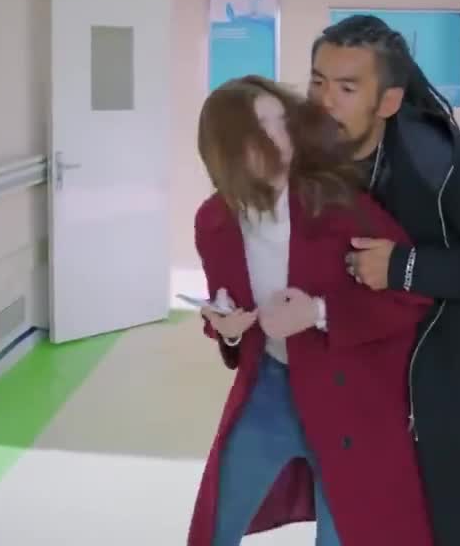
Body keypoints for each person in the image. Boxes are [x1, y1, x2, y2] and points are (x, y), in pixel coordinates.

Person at [307, 15, 460, 546]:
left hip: (452, 404)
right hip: (364, 402)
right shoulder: (313, 161)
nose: (325, 101)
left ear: (388, 101)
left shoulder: (440, 164)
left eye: (347, 88)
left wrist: (406, 267)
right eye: (318, 81)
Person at [186, 75, 436, 546]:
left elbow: (412, 294)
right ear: (228, 147)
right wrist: (229, 327)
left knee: (343, 534)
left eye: (282, 121)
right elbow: (225, 308)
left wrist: (320, 312)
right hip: (268, 388)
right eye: (262, 126)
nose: (281, 137)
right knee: (214, 526)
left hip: (348, 395)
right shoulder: (214, 221)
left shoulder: (341, 206)